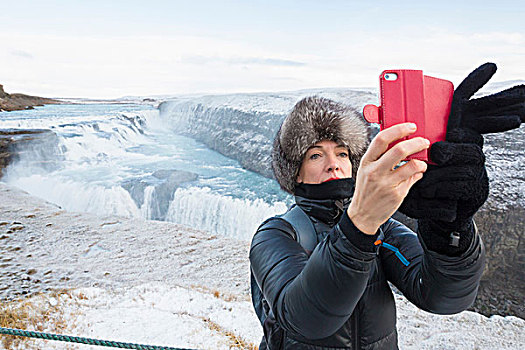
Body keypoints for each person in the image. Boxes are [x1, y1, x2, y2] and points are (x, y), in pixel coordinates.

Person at [250, 63, 524, 349]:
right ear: (295, 172)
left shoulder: (383, 230)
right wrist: (358, 226)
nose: (333, 164)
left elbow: (442, 297)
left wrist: (449, 228)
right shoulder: (276, 234)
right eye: (316, 155)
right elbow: (305, 318)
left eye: (342, 153)